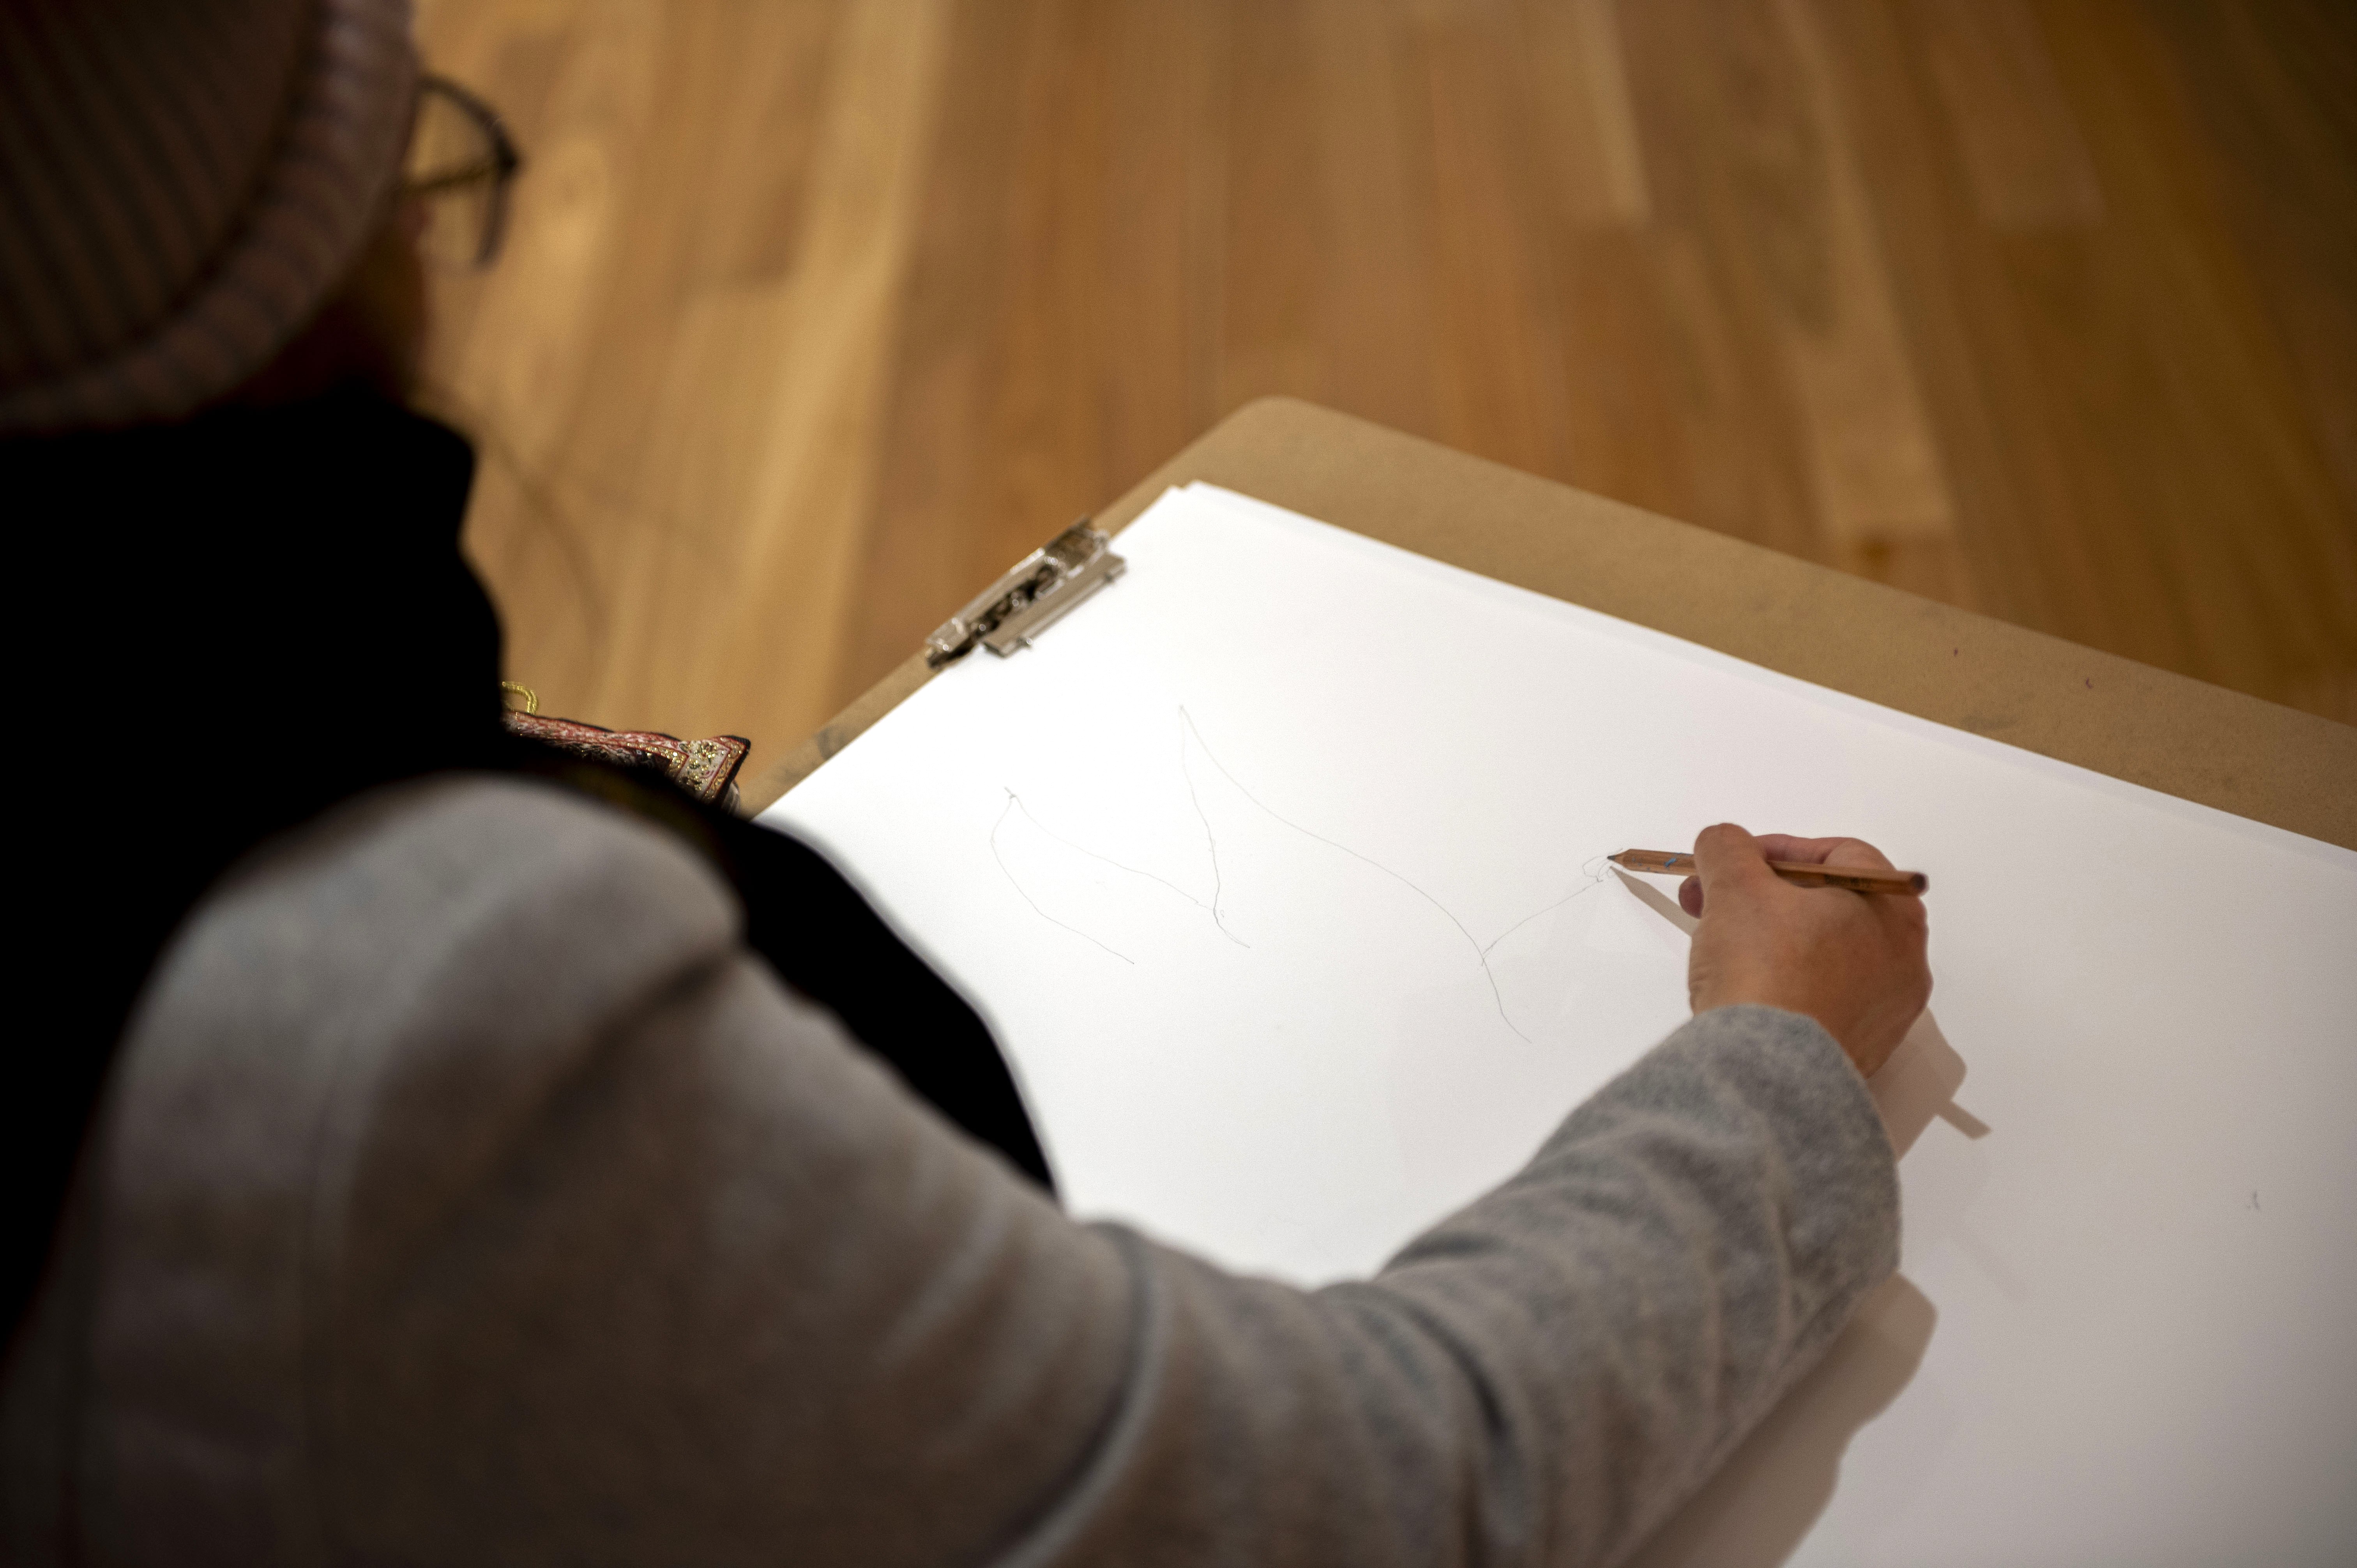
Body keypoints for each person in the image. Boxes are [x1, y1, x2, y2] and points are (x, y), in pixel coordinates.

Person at [0, 2, 1931, 1563]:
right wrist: (1778, 1070)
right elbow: (1375, 1495)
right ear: (315, 261)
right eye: (401, 158)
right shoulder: (408, 1028)